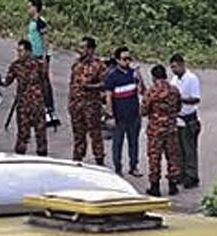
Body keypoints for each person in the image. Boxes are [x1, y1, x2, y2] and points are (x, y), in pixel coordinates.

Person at [0, 40, 50, 156]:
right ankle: (19, 156)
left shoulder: (39, 64)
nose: (19, 53)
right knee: (22, 134)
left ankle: (43, 156)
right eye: (18, 51)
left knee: (41, 133)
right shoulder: (16, 66)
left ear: (29, 52)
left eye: (21, 51)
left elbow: (45, 83)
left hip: (37, 104)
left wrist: (48, 104)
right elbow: (7, 81)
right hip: (23, 105)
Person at [66, 37, 108, 166]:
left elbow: (105, 84)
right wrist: (70, 102)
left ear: (91, 49)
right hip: (76, 105)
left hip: (91, 106)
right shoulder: (77, 64)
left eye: (84, 47)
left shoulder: (99, 65)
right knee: (78, 134)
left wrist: (90, 87)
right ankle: (77, 160)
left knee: (95, 134)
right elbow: (72, 83)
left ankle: (99, 161)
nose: (81, 50)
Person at [104, 46, 142, 178]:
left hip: (134, 115)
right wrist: (110, 115)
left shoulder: (133, 74)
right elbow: (108, 97)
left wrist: (139, 77)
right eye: (124, 59)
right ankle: (118, 167)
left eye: (129, 59)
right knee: (117, 143)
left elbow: (142, 91)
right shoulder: (112, 77)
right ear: (117, 60)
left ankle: (133, 166)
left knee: (134, 142)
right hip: (119, 116)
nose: (128, 62)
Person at [143, 63, 181, 196]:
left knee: (154, 157)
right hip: (171, 128)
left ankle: (155, 186)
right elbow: (178, 108)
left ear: (154, 77)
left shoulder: (151, 92)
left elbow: (143, 111)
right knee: (172, 156)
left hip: (155, 130)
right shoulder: (174, 90)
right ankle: (173, 185)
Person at [169, 53, 202, 188]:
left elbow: (196, 99)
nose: (174, 70)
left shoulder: (191, 78)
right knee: (179, 149)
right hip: (178, 118)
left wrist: (180, 99)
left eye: (175, 67)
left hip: (189, 118)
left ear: (182, 65)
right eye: (172, 68)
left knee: (190, 149)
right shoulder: (174, 80)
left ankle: (192, 175)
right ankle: (182, 174)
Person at [24, 1, 59, 129]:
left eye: (29, 6)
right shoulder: (32, 22)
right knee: (35, 82)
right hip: (34, 56)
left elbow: (45, 40)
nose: (28, 9)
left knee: (44, 81)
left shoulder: (40, 21)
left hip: (41, 57)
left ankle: (49, 108)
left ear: (35, 8)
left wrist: (44, 58)